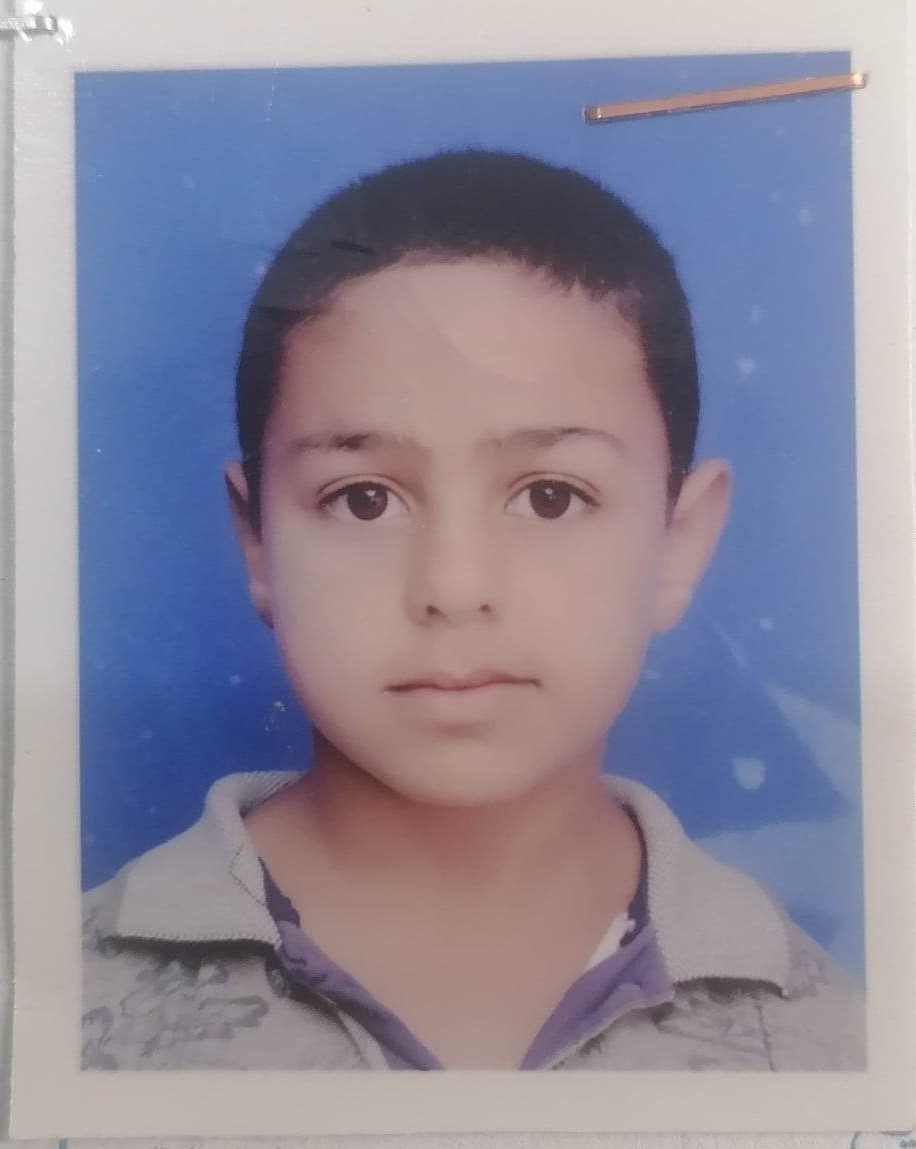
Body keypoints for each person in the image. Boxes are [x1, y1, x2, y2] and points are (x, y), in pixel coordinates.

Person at [81, 149, 864, 1072]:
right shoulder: (57, 1013)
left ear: (679, 540)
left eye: (551, 497)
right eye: (364, 499)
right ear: (257, 542)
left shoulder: (840, 1050)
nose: (453, 588)